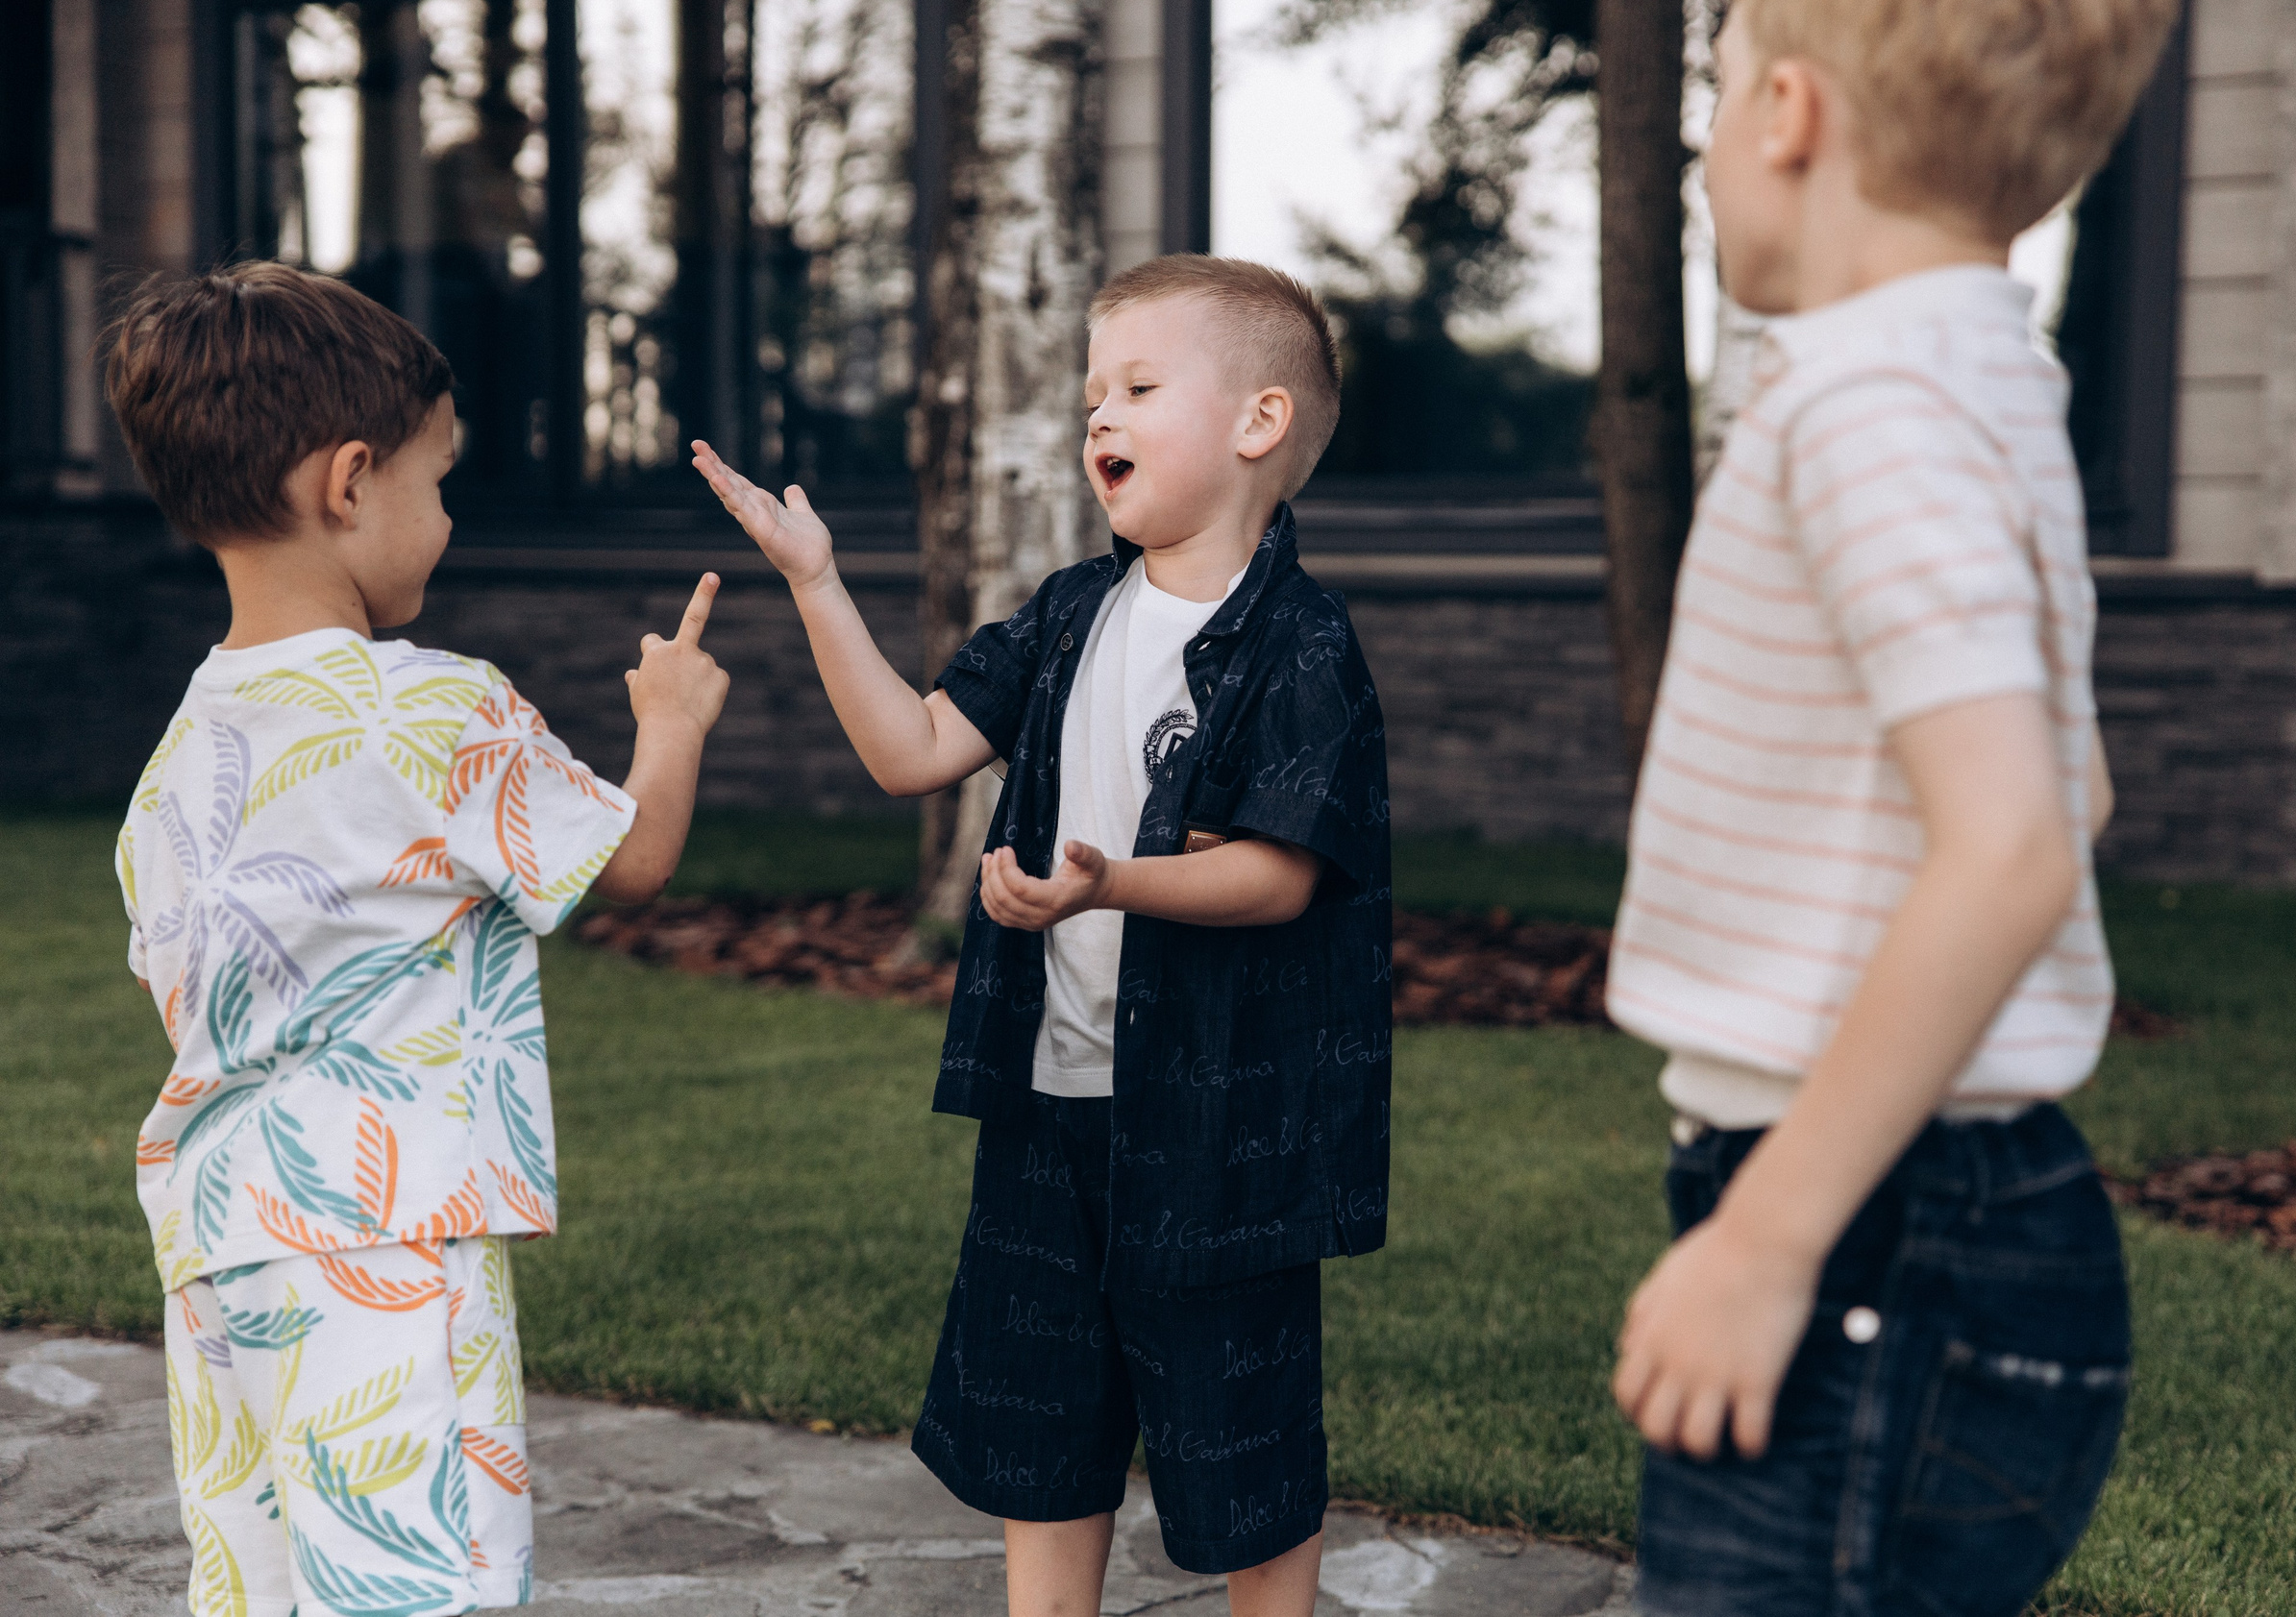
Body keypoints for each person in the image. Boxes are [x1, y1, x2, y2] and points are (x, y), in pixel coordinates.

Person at [692, 254, 1390, 1617]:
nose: (1099, 422)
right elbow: (914, 752)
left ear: (1257, 424)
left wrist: (1106, 886)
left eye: (1136, 388)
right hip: (1051, 1109)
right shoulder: (1072, 616)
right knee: (1043, 1442)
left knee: (1243, 1451)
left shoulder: (1301, 642)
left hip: (1216, 1135)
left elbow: (1281, 876)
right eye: (1088, 401)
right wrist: (817, 581)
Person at [1602, 0, 2179, 1612]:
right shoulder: (1988, 380)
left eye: (1716, 95)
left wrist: (1769, 1240)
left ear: (1788, 118)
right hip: (1937, 1226)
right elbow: (2079, 785)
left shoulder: (1870, 407)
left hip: (1877, 1235)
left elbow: (2013, 847)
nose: (1711, 143)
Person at [107, 261, 729, 1616]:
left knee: (264, 1594)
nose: (444, 520)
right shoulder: (431, 709)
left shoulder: (177, 757)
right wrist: (671, 721)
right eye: (437, 485)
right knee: (423, 1585)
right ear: (348, 483)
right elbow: (630, 863)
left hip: (218, 1235)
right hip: (385, 1240)